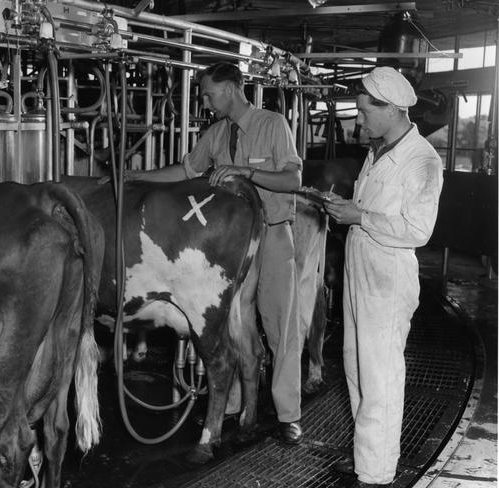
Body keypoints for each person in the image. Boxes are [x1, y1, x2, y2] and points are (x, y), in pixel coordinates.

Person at [126, 62, 304, 444]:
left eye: (209, 93)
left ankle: (288, 413)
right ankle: (234, 406)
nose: (205, 101)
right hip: (228, 247)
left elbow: (293, 179)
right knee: (231, 326)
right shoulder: (216, 133)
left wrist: (247, 173)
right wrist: (135, 178)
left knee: (278, 328)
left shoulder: (273, 125)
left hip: (272, 236)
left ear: (232, 88)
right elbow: (185, 171)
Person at [324, 67, 443, 488]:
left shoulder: (421, 160)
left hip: (388, 276)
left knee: (381, 375)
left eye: (363, 111)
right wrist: (347, 212)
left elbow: (418, 230)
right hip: (362, 267)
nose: (359, 120)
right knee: (356, 367)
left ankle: (376, 474)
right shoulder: (379, 151)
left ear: (391, 109)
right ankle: (365, 456)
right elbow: (371, 211)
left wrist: (360, 216)